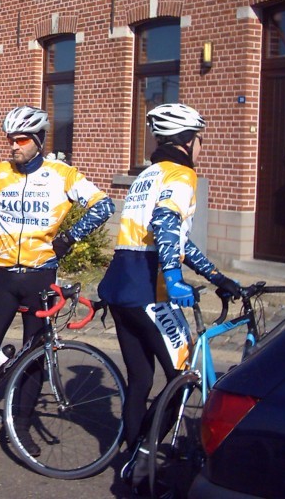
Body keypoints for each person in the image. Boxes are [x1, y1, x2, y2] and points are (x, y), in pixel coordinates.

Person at [0, 106, 116, 470]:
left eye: (20, 140)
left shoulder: (62, 175)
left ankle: (21, 427)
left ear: (38, 141)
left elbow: (104, 205)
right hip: (4, 278)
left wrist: (71, 235)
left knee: (36, 355)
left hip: (40, 277)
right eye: (9, 139)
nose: (13, 146)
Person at [96, 103, 241, 491]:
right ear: (186, 141)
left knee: (140, 380)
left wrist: (215, 275)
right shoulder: (181, 174)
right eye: (199, 142)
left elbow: (175, 236)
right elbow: (166, 222)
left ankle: (129, 467)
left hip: (120, 288)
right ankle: (139, 469)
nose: (201, 149)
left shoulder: (148, 175)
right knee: (183, 377)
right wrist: (175, 278)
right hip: (150, 290)